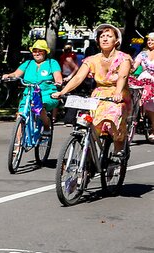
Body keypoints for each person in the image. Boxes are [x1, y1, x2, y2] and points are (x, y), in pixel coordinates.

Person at [52, 23, 132, 156]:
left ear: (116, 41)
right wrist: (62, 92)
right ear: (97, 40)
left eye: (109, 36)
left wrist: (118, 93)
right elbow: (78, 78)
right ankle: (88, 158)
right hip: (99, 95)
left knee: (114, 116)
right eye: (102, 36)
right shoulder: (92, 60)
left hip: (118, 93)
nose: (105, 39)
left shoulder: (124, 58)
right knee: (90, 125)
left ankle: (118, 151)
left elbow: (122, 77)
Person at [0, 39, 62, 136]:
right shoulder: (28, 63)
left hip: (47, 94)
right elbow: (16, 74)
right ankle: (17, 146)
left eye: (40, 51)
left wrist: (58, 82)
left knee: (40, 107)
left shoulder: (52, 63)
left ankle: (46, 125)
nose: (37, 53)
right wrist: (9, 76)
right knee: (20, 116)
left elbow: (58, 76)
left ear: (45, 52)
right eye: (34, 51)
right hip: (29, 94)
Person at [131, 32, 154, 142]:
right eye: (149, 40)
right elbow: (134, 66)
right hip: (143, 81)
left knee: (151, 103)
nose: (150, 42)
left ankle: (153, 128)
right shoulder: (142, 54)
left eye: (152, 40)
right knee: (137, 101)